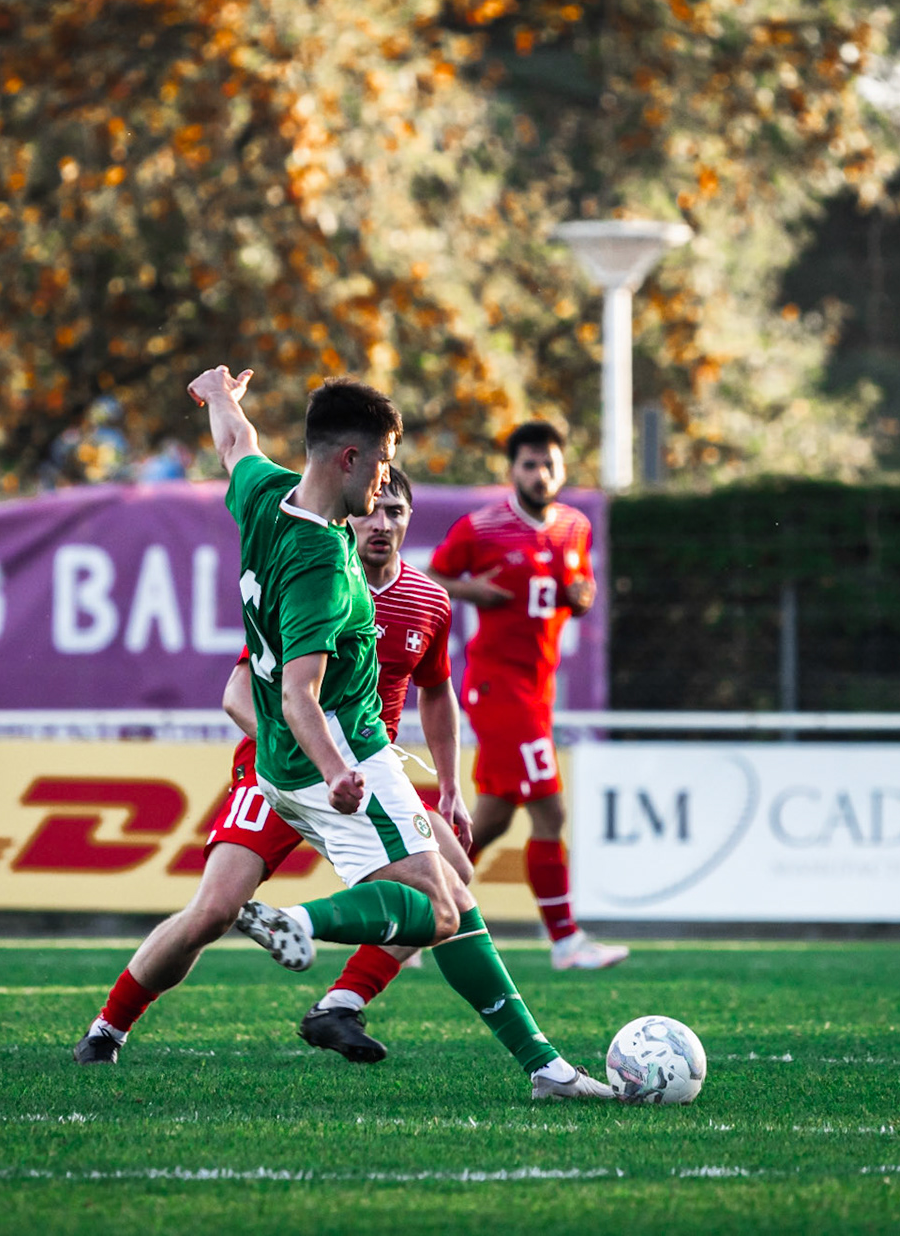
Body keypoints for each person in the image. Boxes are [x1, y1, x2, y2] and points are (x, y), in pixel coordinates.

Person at [78, 367, 612, 1100]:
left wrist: (220, 398)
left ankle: (536, 1065)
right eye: (383, 462)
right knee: (437, 907)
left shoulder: (264, 494)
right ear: (349, 460)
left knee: (451, 893)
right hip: (338, 763)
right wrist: (338, 771)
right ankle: (296, 927)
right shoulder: (325, 568)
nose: (387, 490)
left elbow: (237, 445)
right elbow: (297, 695)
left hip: (295, 764)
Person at [75, 470, 471, 1066]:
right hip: (280, 771)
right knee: (213, 913)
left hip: (360, 777)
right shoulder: (314, 576)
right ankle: (108, 1028)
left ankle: (339, 1004)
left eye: (395, 512)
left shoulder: (428, 600)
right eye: (372, 511)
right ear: (350, 512)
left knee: (451, 886)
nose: (381, 524)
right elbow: (238, 692)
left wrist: (450, 788)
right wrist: (302, 754)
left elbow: (437, 693)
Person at [429, 421, 628, 971]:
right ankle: (565, 941)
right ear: (512, 470)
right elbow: (432, 575)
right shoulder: (484, 526)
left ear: (563, 469)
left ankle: (416, 907)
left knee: (491, 818)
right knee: (550, 809)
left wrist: (582, 596)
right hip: (497, 685)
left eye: (550, 464)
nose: (541, 474)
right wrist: (474, 591)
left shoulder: (575, 527)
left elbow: (578, 588)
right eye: (530, 465)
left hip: (537, 690)